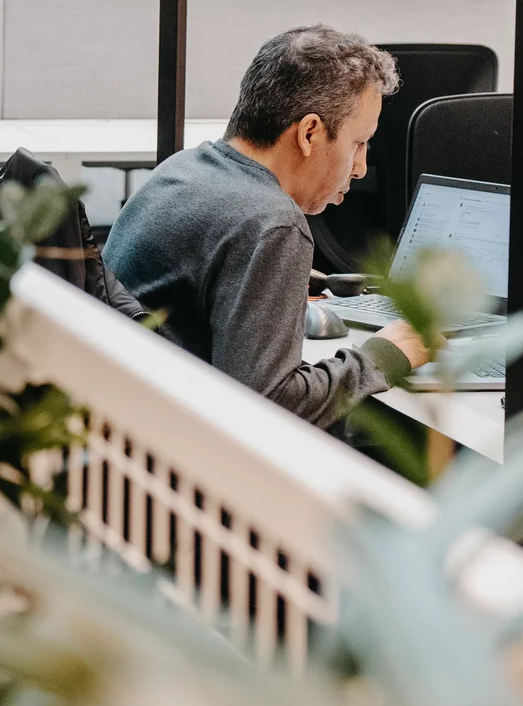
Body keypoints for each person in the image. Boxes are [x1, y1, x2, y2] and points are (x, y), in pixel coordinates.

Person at [104, 26, 425, 426]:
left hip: (118, 421)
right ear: (309, 133)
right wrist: (380, 358)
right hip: (178, 445)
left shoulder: (182, 170)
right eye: (358, 143)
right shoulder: (272, 223)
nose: (360, 168)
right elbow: (268, 407)